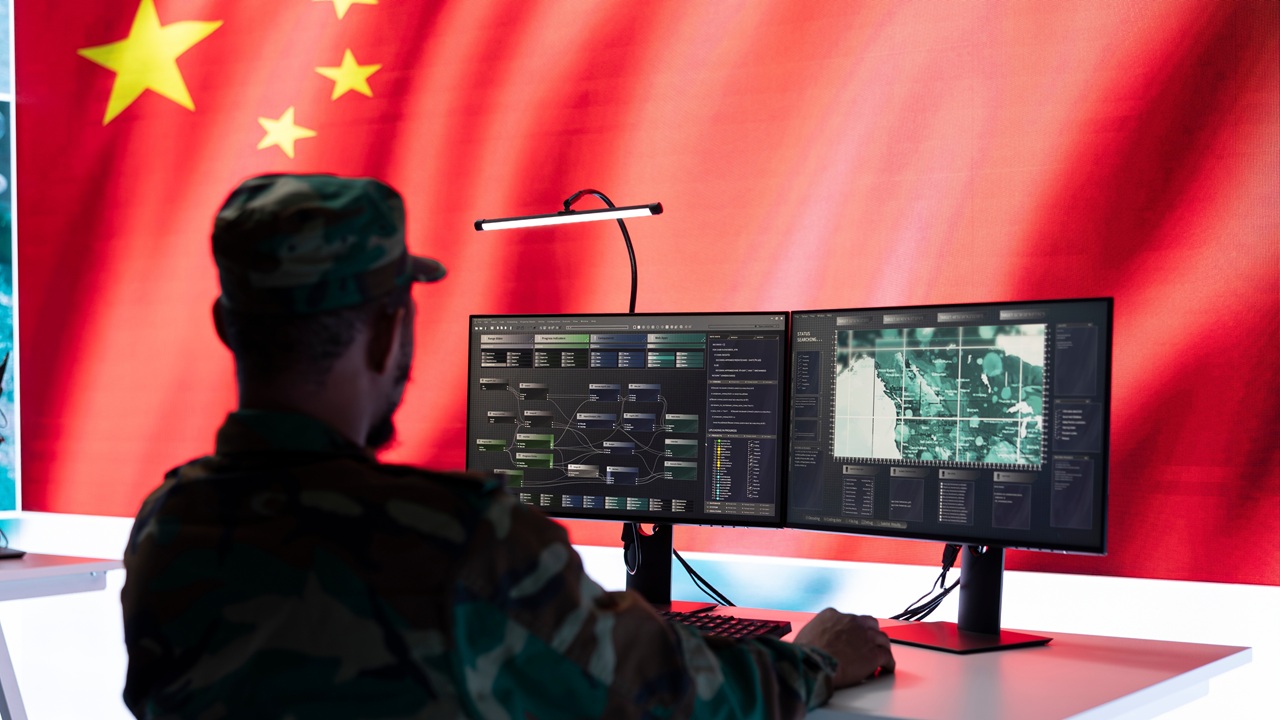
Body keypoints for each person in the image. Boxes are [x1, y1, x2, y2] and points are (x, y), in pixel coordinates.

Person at [121, 173, 895, 719]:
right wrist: (817, 657)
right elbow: (674, 696)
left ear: (227, 328)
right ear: (393, 328)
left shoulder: (167, 528)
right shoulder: (460, 540)